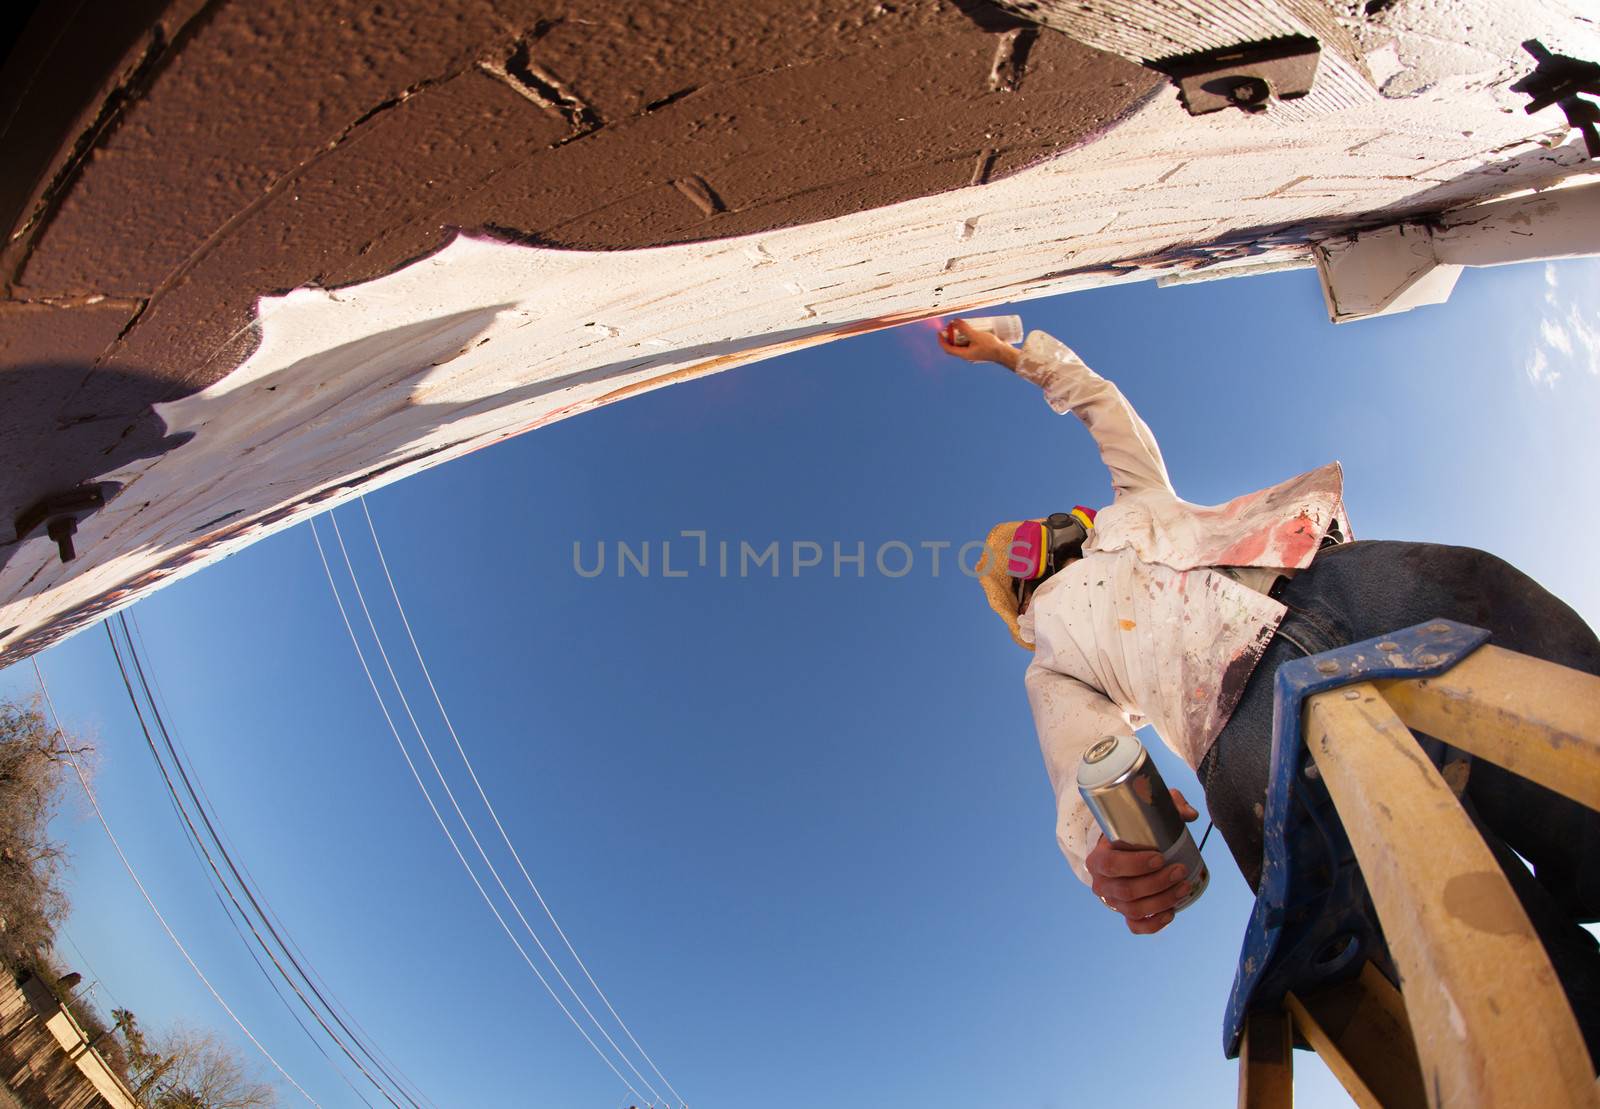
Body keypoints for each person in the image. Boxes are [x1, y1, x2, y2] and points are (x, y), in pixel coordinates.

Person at [938, 318, 1600, 1054]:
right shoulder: (1053, 654)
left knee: (1505, 629)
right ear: (1020, 593)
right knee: (1442, 916)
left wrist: (1009, 353)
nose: (1049, 542)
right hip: (1248, 730)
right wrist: (1107, 846)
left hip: (1336, 584)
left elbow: (1103, 403)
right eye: (1023, 553)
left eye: (1034, 533)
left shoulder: (1136, 500)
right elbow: (1079, 761)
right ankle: (1568, 1040)